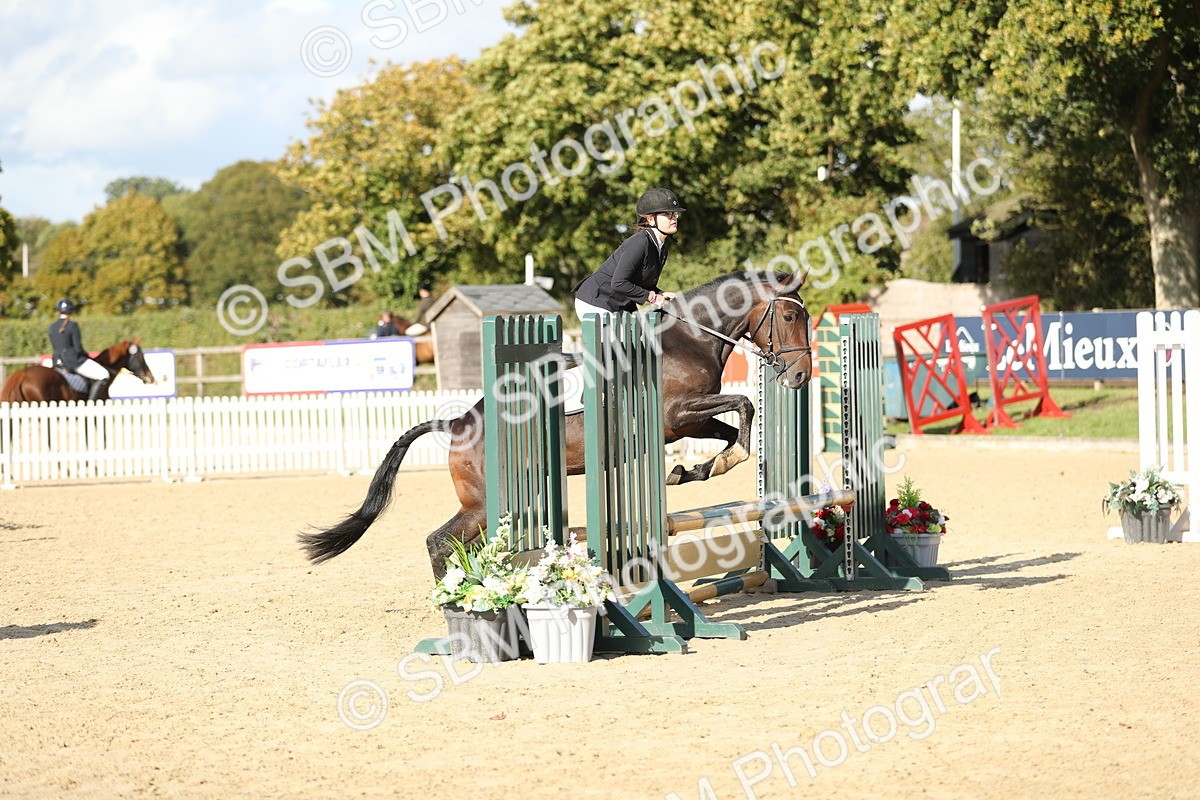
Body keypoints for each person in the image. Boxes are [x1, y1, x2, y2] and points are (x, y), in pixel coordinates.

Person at [573, 188, 682, 319]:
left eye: (674, 213)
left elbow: (644, 283)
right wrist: (653, 297)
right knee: (619, 340)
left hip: (620, 304)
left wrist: (661, 293)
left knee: (641, 335)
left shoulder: (661, 247)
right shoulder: (640, 242)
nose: (673, 218)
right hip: (596, 302)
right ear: (651, 219)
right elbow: (618, 283)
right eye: (667, 214)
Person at [48, 299, 110, 400]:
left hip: (56, 361)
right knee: (104, 375)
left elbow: (55, 347)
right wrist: (86, 356)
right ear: (71, 312)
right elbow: (78, 348)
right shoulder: (73, 325)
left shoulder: (52, 327)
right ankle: (90, 404)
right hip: (72, 361)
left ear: (58, 311)